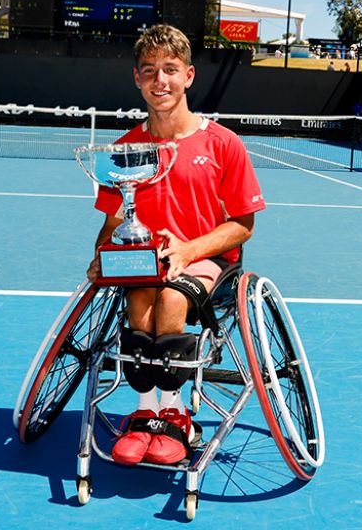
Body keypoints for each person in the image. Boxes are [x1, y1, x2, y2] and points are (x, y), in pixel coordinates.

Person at [86, 25, 265, 466]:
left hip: (205, 259)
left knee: (168, 296)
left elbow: (243, 224)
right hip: (144, 261)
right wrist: (100, 257)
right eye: (149, 70)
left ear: (188, 76)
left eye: (169, 69)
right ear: (136, 78)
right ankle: (145, 415)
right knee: (140, 298)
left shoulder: (223, 143)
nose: (159, 80)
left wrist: (187, 250)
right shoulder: (125, 147)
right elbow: (113, 218)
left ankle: (174, 414)